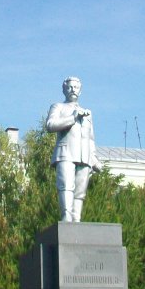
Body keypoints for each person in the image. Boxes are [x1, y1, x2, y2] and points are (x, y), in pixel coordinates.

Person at [46, 76, 101, 222]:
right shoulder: (58, 107)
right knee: (66, 185)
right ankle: (66, 216)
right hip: (65, 153)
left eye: (76, 87)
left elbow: (91, 138)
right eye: (70, 87)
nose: (73, 90)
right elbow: (50, 125)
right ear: (64, 89)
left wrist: (94, 159)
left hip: (84, 156)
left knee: (80, 191)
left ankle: (76, 220)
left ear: (80, 91)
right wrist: (72, 118)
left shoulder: (87, 113)